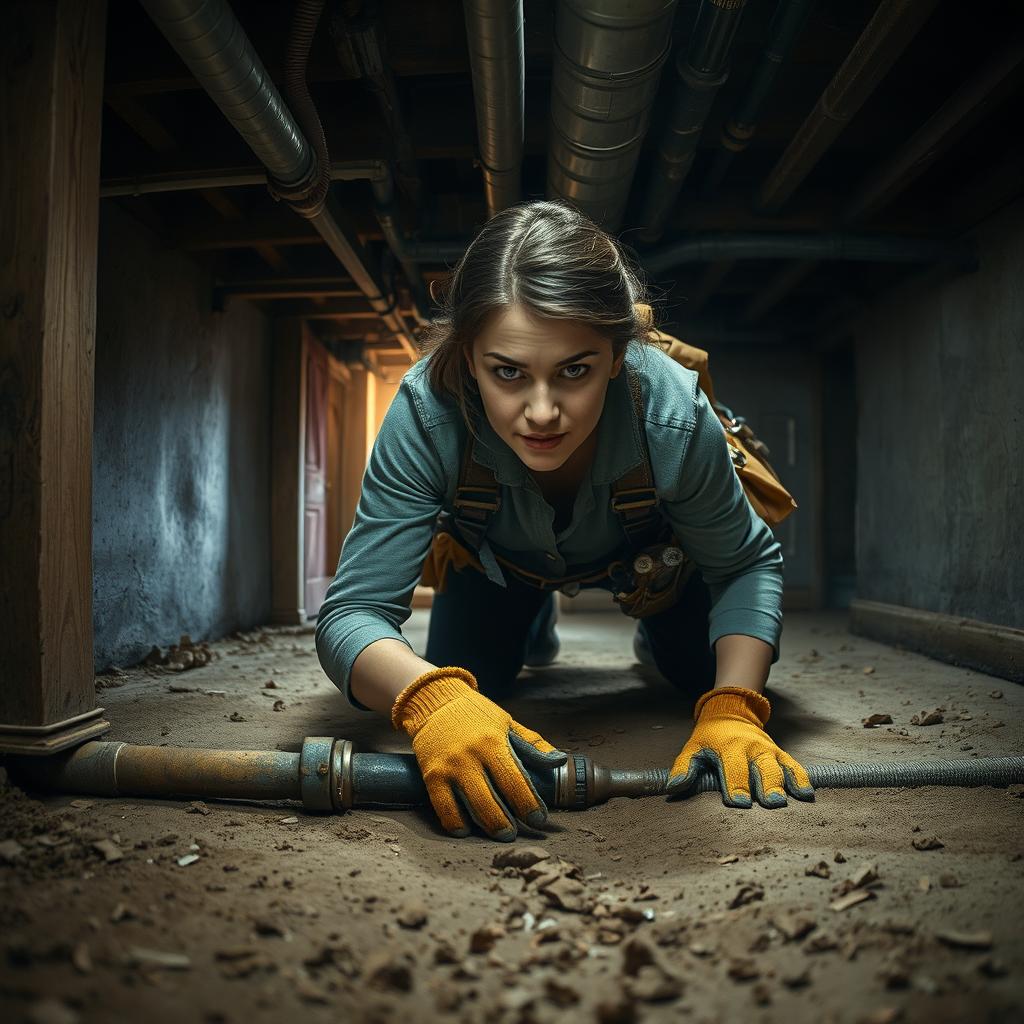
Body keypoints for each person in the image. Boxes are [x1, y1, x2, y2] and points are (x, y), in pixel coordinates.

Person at [315, 199, 814, 842]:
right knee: (471, 681)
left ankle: (652, 629)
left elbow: (745, 562)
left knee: (695, 673)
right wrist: (428, 698)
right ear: (469, 358)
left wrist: (736, 708)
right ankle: (533, 621)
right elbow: (351, 612)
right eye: (508, 373)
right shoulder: (423, 415)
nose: (543, 411)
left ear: (615, 356)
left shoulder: (672, 414)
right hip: (499, 564)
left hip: (648, 564)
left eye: (574, 370)